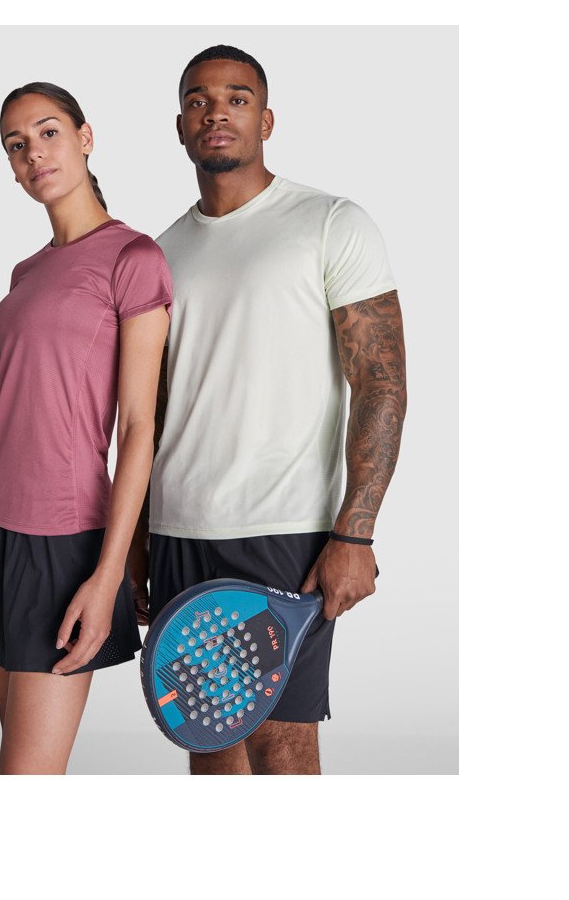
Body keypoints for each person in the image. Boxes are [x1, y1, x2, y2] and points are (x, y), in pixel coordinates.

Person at [130, 45, 407, 775]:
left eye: (237, 97)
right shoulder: (159, 254)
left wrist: (356, 530)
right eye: (197, 100)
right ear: (179, 126)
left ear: (267, 119)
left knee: (281, 744)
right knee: (210, 741)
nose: (215, 112)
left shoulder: (330, 222)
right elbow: (152, 409)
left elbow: (381, 382)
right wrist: (136, 539)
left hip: (284, 530)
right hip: (179, 528)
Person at [0, 82, 172, 775]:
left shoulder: (134, 259)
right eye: (16, 145)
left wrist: (109, 575)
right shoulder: (27, 270)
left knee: (27, 776)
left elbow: (139, 427)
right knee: (14, 751)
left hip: (61, 543)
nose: (34, 154)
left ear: (85, 137)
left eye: (48, 133)